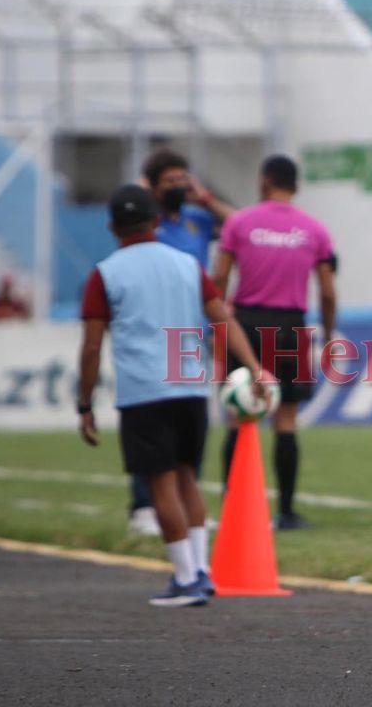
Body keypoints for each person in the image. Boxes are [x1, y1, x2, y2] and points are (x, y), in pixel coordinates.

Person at [77, 184, 270, 607]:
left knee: (161, 483)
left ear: (112, 227)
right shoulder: (187, 264)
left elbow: (92, 346)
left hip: (144, 391)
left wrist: (85, 403)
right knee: (187, 478)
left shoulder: (104, 274)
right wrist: (255, 368)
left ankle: (186, 579)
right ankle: (201, 571)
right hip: (190, 386)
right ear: (156, 220)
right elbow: (223, 320)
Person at [212, 155, 337, 531]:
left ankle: (234, 508)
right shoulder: (315, 230)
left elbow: (219, 277)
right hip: (291, 326)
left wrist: (219, 322)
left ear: (264, 182)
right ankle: (286, 511)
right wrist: (329, 332)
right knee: (286, 420)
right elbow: (328, 292)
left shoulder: (239, 222)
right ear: (295, 186)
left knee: (239, 415)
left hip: (247, 323)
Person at [125, 150, 236, 536]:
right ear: (153, 187)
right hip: (152, 328)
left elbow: (238, 224)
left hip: (191, 333)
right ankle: (143, 505)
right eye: (168, 181)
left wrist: (205, 198)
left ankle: (189, 505)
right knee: (149, 417)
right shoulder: (146, 224)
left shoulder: (197, 220)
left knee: (190, 421)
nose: (176, 187)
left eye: (181, 180)